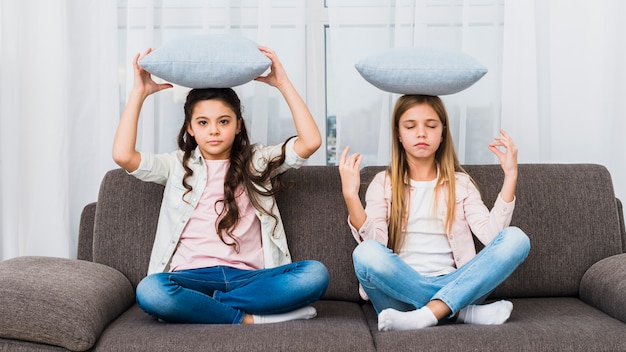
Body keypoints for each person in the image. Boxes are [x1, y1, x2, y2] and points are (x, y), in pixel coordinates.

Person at [112, 46, 330, 325]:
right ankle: (251, 319)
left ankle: (204, 309)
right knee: (151, 291)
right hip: (190, 277)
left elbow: (310, 142)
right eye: (203, 122)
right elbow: (123, 155)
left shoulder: (258, 161)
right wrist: (138, 94)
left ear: (238, 125)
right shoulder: (176, 165)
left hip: (249, 279)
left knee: (315, 274)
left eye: (223, 121)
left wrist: (283, 84)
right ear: (190, 128)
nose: (213, 130)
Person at [338, 94, 530, 331]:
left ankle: (428, 313)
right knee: (365, 253)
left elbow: (493, 238)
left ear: (442, 133)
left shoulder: (461, 184)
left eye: (431, 126)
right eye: (410, 126)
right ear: (398, 134)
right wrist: (350, 196)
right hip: (399, 293)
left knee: (516, 239)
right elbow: (375, 243)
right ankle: (457, 311)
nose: (421, 133)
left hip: (456, 284)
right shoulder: (383, 182)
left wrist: (510, 176)